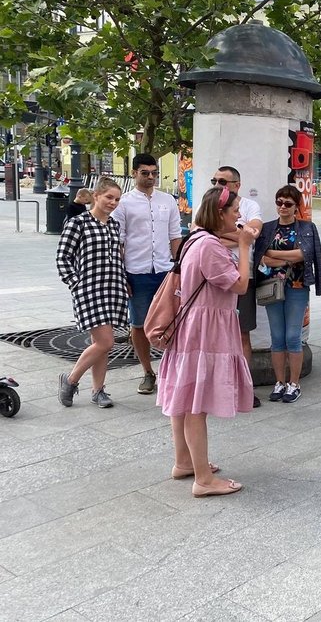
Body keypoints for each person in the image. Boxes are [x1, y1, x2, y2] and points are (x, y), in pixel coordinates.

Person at [158, 184, 256, 498]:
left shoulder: (195, 239)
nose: (239, 215)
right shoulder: (211, 246)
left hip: (191, 328)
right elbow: (240, 285)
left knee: (183, 399)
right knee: (196, 404)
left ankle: (184, 461)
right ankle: (203, 479)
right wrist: (244, 247)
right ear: (220, 213)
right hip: (205, 331)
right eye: (235, 210)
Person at [112, 153, 182, 395]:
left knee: (173, 322)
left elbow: (175, 235)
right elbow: (118, 242)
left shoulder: (168, 201)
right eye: (145, 173)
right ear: (134, 173)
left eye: (154, 173)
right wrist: (121, 277)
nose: (150, 177)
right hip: (136, 271)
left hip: (165, 271)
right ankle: (147, 372)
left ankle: (171, 369)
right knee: (139, 324)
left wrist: (180, 268)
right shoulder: (123, 203)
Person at [55, 178, 127, 409]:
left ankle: (98, 391)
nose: (113, 203)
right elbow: (63, 257)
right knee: (106, 342)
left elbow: (117, 256)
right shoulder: (78, 223)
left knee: (102, 343)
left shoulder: (114, 225)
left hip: (113, 289)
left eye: (117, 199)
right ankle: (71, 379)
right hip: (89, 290)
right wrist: (76, 284)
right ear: (96, 195)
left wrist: (123, 282)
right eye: (108, 197)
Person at [254, 185, 321, 404]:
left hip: (297, 286)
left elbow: (305, 254)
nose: (282, 207)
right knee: (277, 337)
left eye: (288, 204)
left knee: (293, 337)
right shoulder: (266, 228)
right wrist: (288, 258)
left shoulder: (306, 227)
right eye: (279, 202)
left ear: (296, 207)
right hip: (271, 286)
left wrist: (276, 255)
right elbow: (261, 257)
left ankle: (294, 384)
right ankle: (279, 382)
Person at [212, 166, 263, 408]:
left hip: (243, 274)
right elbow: (202, 233)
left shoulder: (250, 206)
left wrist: (226, 234)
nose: (217, 184)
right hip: (214, 277)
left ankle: (244, 386)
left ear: (236, 185)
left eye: (222, 181)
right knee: (215, 334)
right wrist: (240, 235)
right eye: (214, 180)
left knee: (243, 333)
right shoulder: (209, 205)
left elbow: (253, 234)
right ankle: (218, 387)